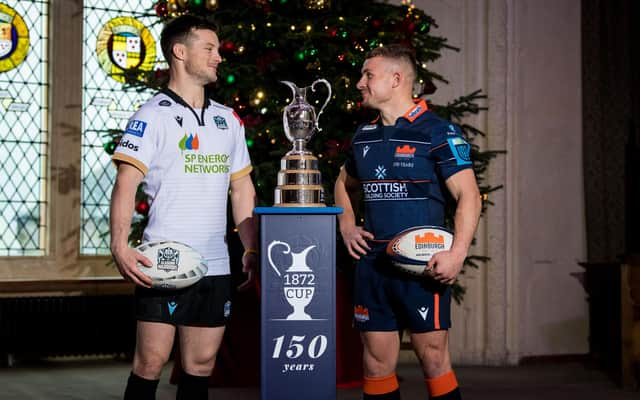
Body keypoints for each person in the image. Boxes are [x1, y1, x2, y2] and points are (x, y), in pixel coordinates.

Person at [109, 14, 258, 400]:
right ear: (179, 51)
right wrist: (119, 246)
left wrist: (251, 247)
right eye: (208, 48)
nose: (218, 56)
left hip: (216, 263)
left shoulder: (229, 121)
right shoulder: (151, 115)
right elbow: (126, 183)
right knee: (151, 362)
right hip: (164, 260)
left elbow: (241, 187)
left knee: (200, 366)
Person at [334, 44, 481, 400]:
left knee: (433, 358)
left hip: (422, 266)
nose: (359, 83)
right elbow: (343, 183)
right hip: (373, 266)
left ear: (396, 78)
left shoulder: (437, 132)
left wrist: (457, 253)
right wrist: (348, 226)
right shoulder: (364, 136)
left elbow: (469, 196)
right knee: (374, 363)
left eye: (368, 75)